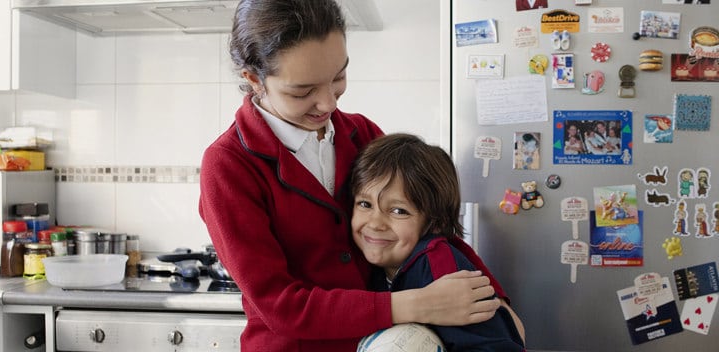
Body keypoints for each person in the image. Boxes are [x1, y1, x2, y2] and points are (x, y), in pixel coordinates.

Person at [198, 0, 511, 350]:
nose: (328, 103)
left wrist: (494, 300)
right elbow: (279, 306)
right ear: (254, 80)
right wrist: (417, 304)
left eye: (338, 77)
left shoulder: (362, 133)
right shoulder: (228, 165)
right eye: (303, 91)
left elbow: (430, 226)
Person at [351, 133, 526, 351]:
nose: (375, 223)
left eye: (398, 211)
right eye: (365, 204)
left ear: (435, 223)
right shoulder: (370, 264)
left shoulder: (439, 265)